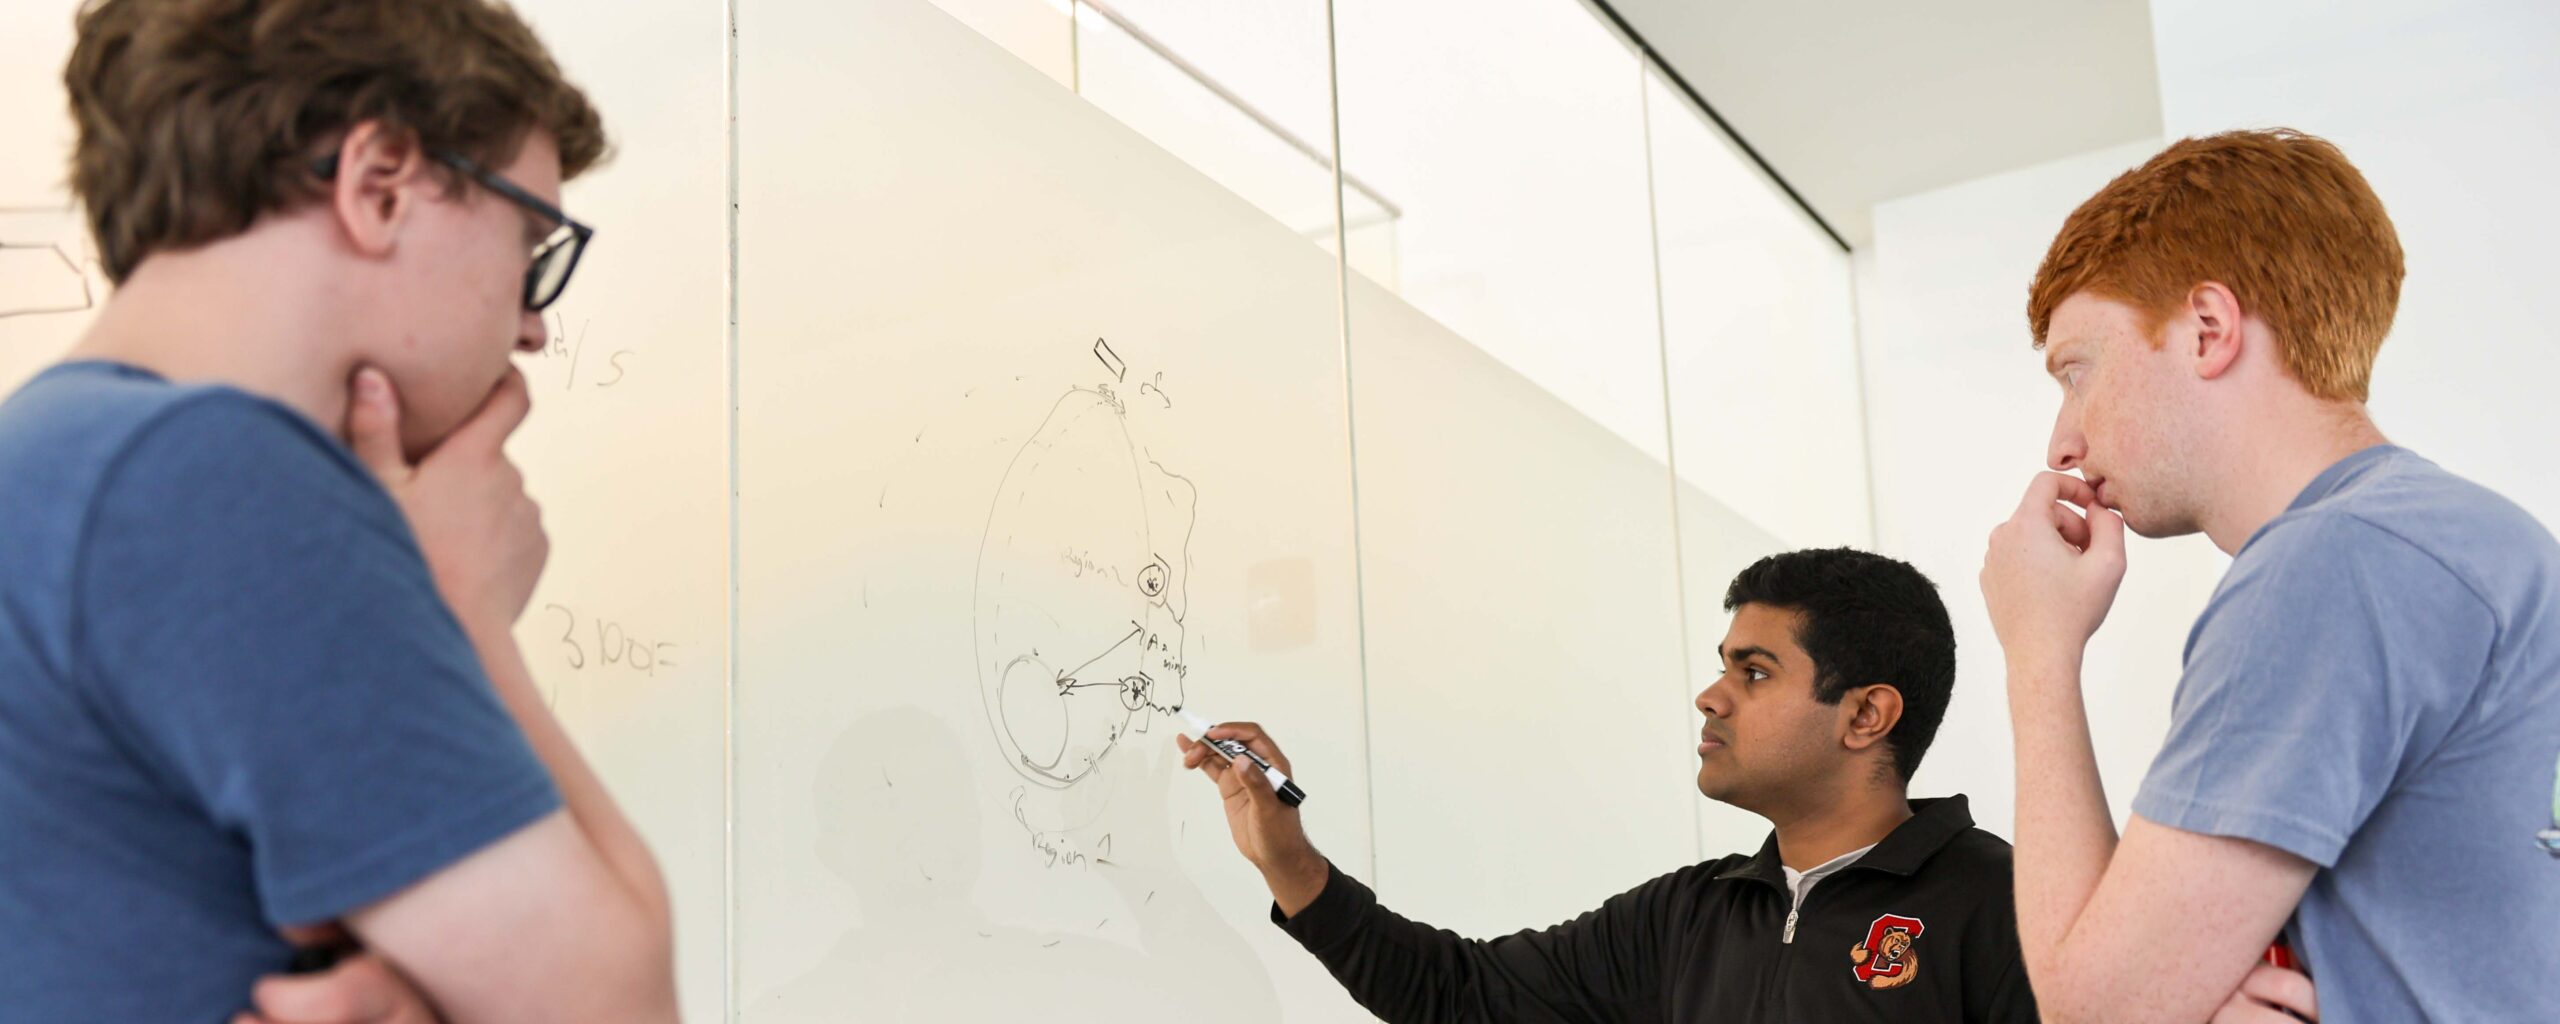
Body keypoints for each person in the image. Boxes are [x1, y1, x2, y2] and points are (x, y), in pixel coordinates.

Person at [0, 1, 677, 1020]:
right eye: (528, 247)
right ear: (380, 185)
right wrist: (458, 601)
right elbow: (615, 1003)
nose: (532, 325)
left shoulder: (54, 463)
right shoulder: (216, 481)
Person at [1981, 128, 2560, 1023]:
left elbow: (2097, 1014)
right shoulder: (2478, 542)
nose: (2063, 438)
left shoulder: (2332, 566)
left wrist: (2038, 650)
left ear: (2208, 330)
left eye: (2077, 372)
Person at [1183, 548, 2039, 1021]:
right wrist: (1287, 861)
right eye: (1723, 668)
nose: (1712, 695)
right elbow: (1461, 995)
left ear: (1865, 716)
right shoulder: (1690, 916)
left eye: (1756, 672)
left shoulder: (2006, 904)